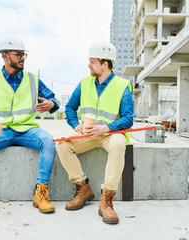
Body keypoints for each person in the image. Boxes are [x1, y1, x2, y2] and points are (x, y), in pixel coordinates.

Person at [0, 36, 59, 223]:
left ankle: (41, 194)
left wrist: (50, 104)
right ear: (4, 56)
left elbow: (53, 100)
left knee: (48, 141)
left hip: (27, 129)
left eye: (23, 54)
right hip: (1, 131)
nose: (22, 58)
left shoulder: (33, 80)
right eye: (18, 54)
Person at [56, 41, 133, 224]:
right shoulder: (84, 83)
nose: (88, 65)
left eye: (92, 62)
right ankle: (83, 188)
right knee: (63, 145)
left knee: (118, 143)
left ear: (104, 64)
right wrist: (76, 125)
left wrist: (107, 128)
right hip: (88, 135)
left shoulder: (123, 85)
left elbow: (128, 119)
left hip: (110, 134)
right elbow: (70, 108)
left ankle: (106, 199)